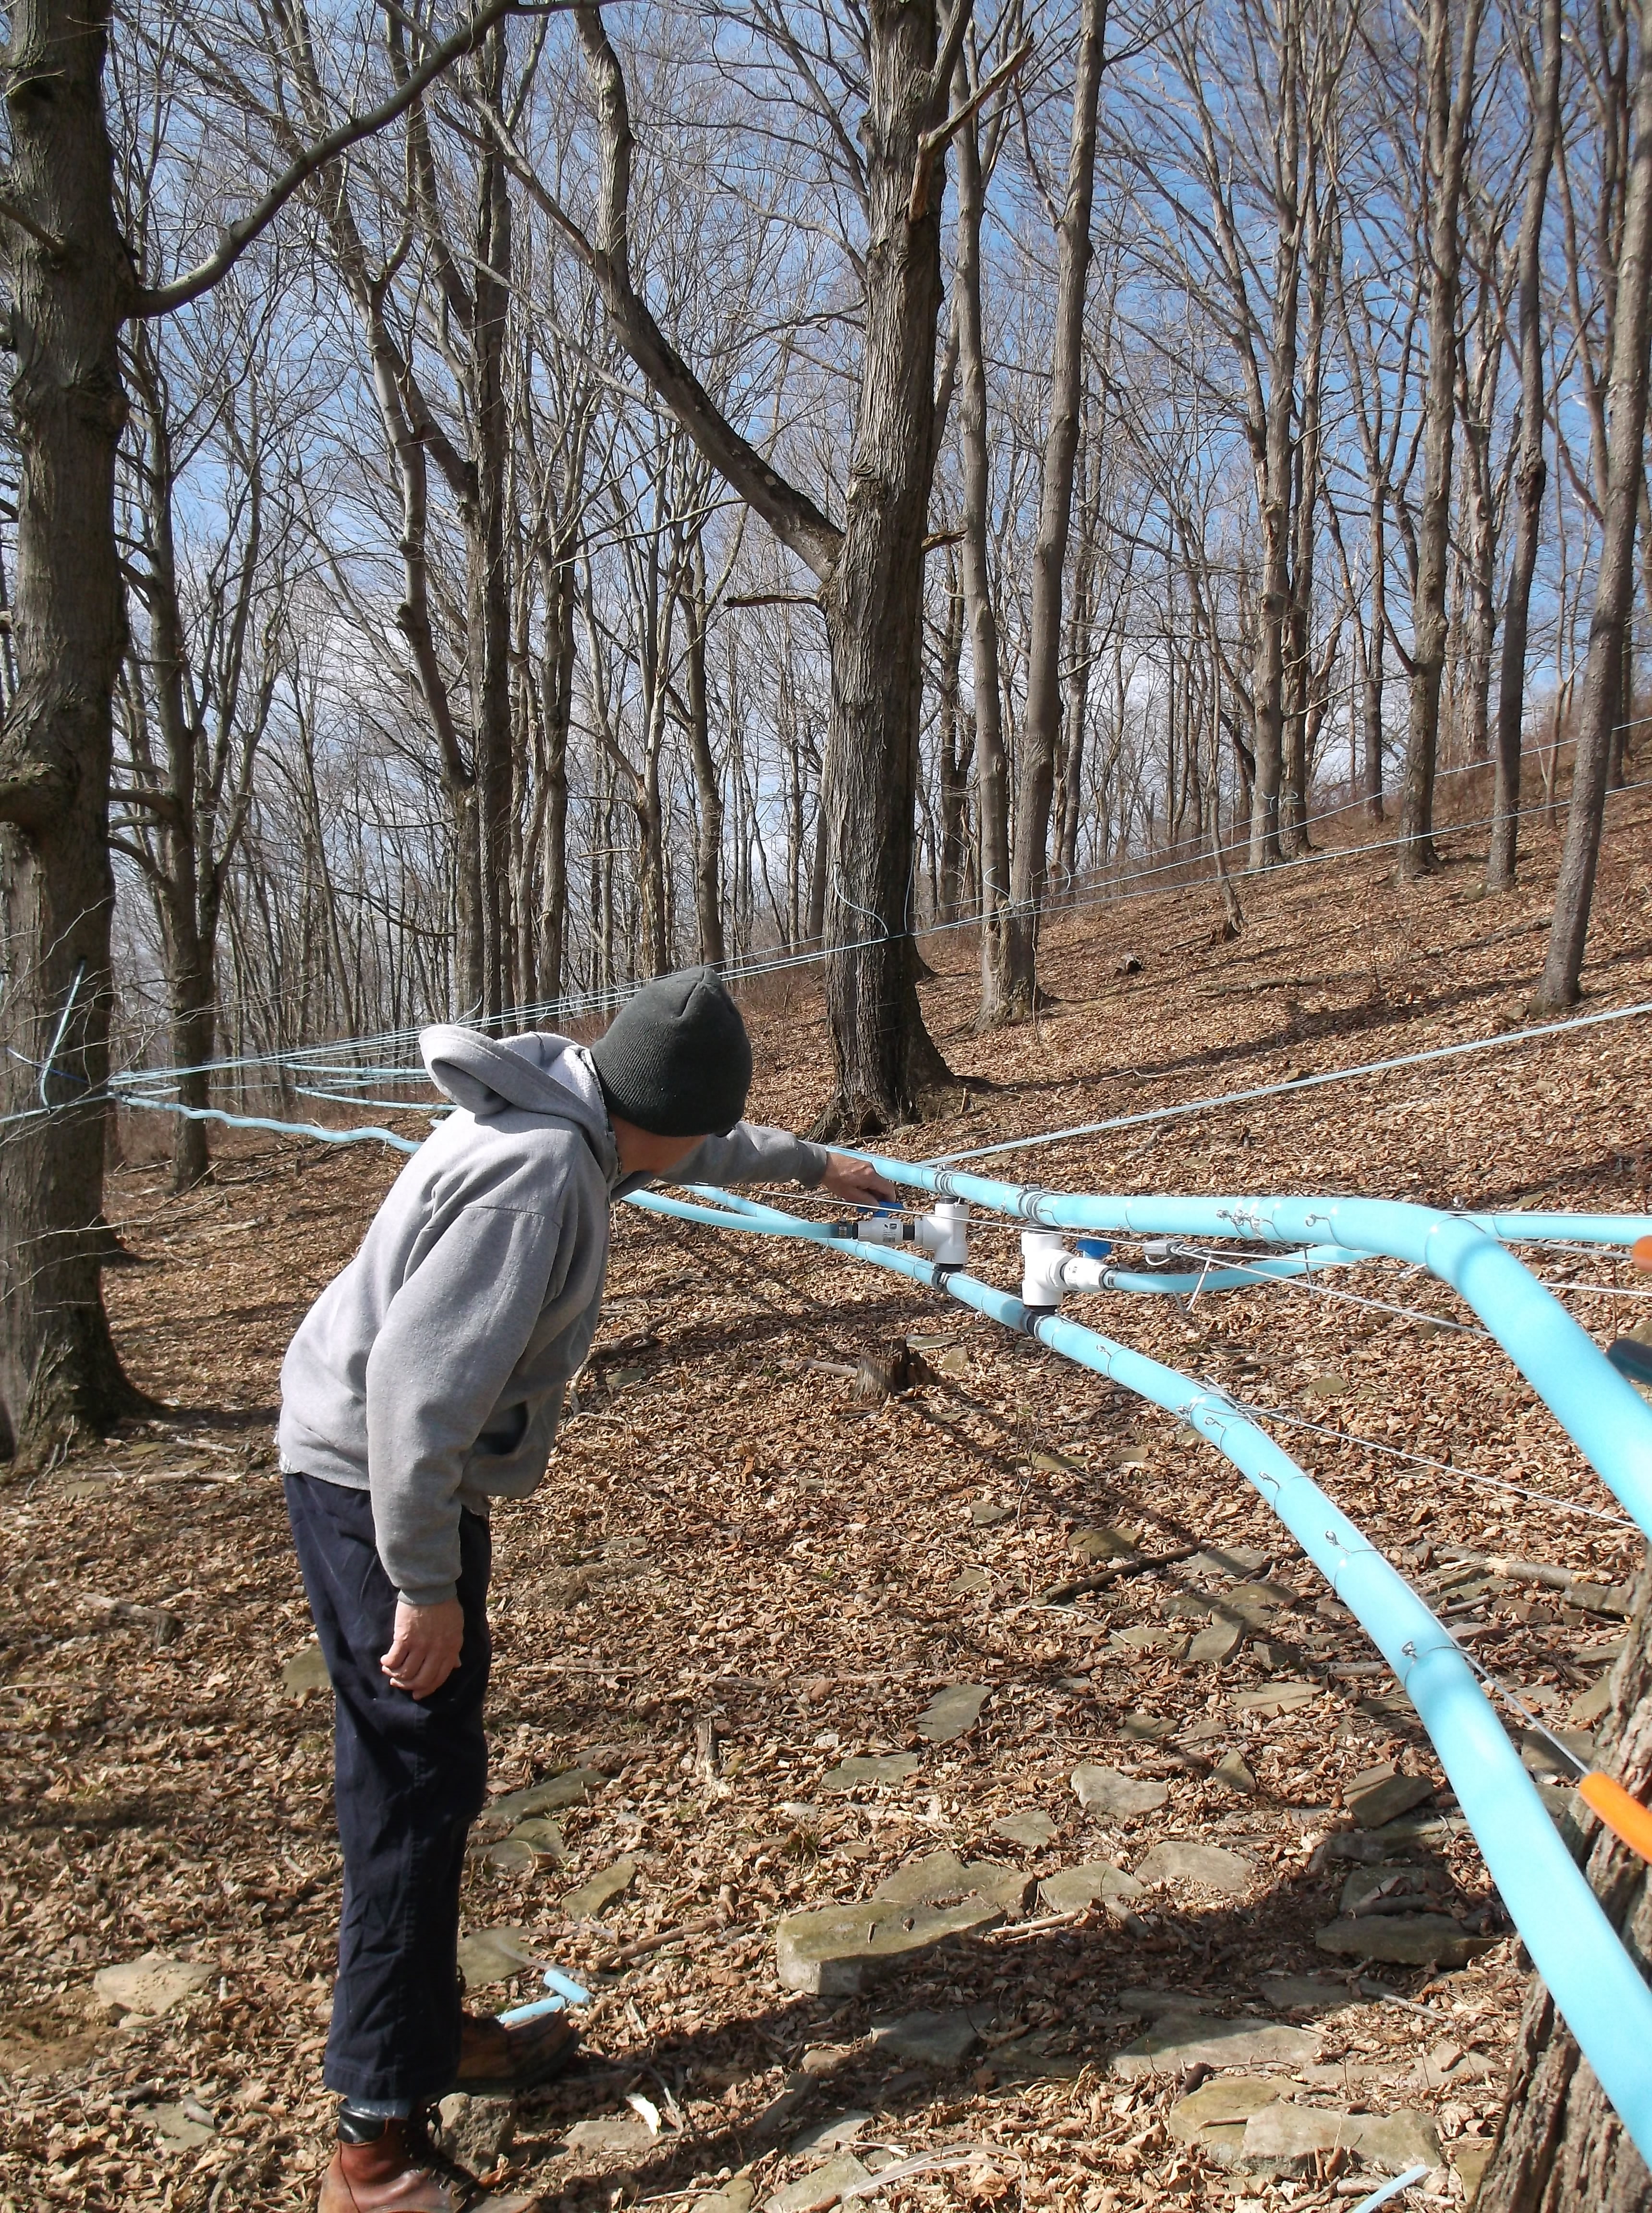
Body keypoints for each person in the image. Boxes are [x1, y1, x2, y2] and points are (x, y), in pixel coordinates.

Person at [279, 968, 895, 2212]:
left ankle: (421, 2037)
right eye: (703, 1127)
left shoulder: (580, 1111)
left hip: (391, 1473)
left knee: (432, 1774)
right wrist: (422, 1583)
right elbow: (416, 1393)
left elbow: (705, 1147)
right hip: (376, 1482)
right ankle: (375, 2145)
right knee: (411, 1789)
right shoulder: (539, 1176)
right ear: (659, 1114)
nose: (703, 1149)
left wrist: (813, 1165)